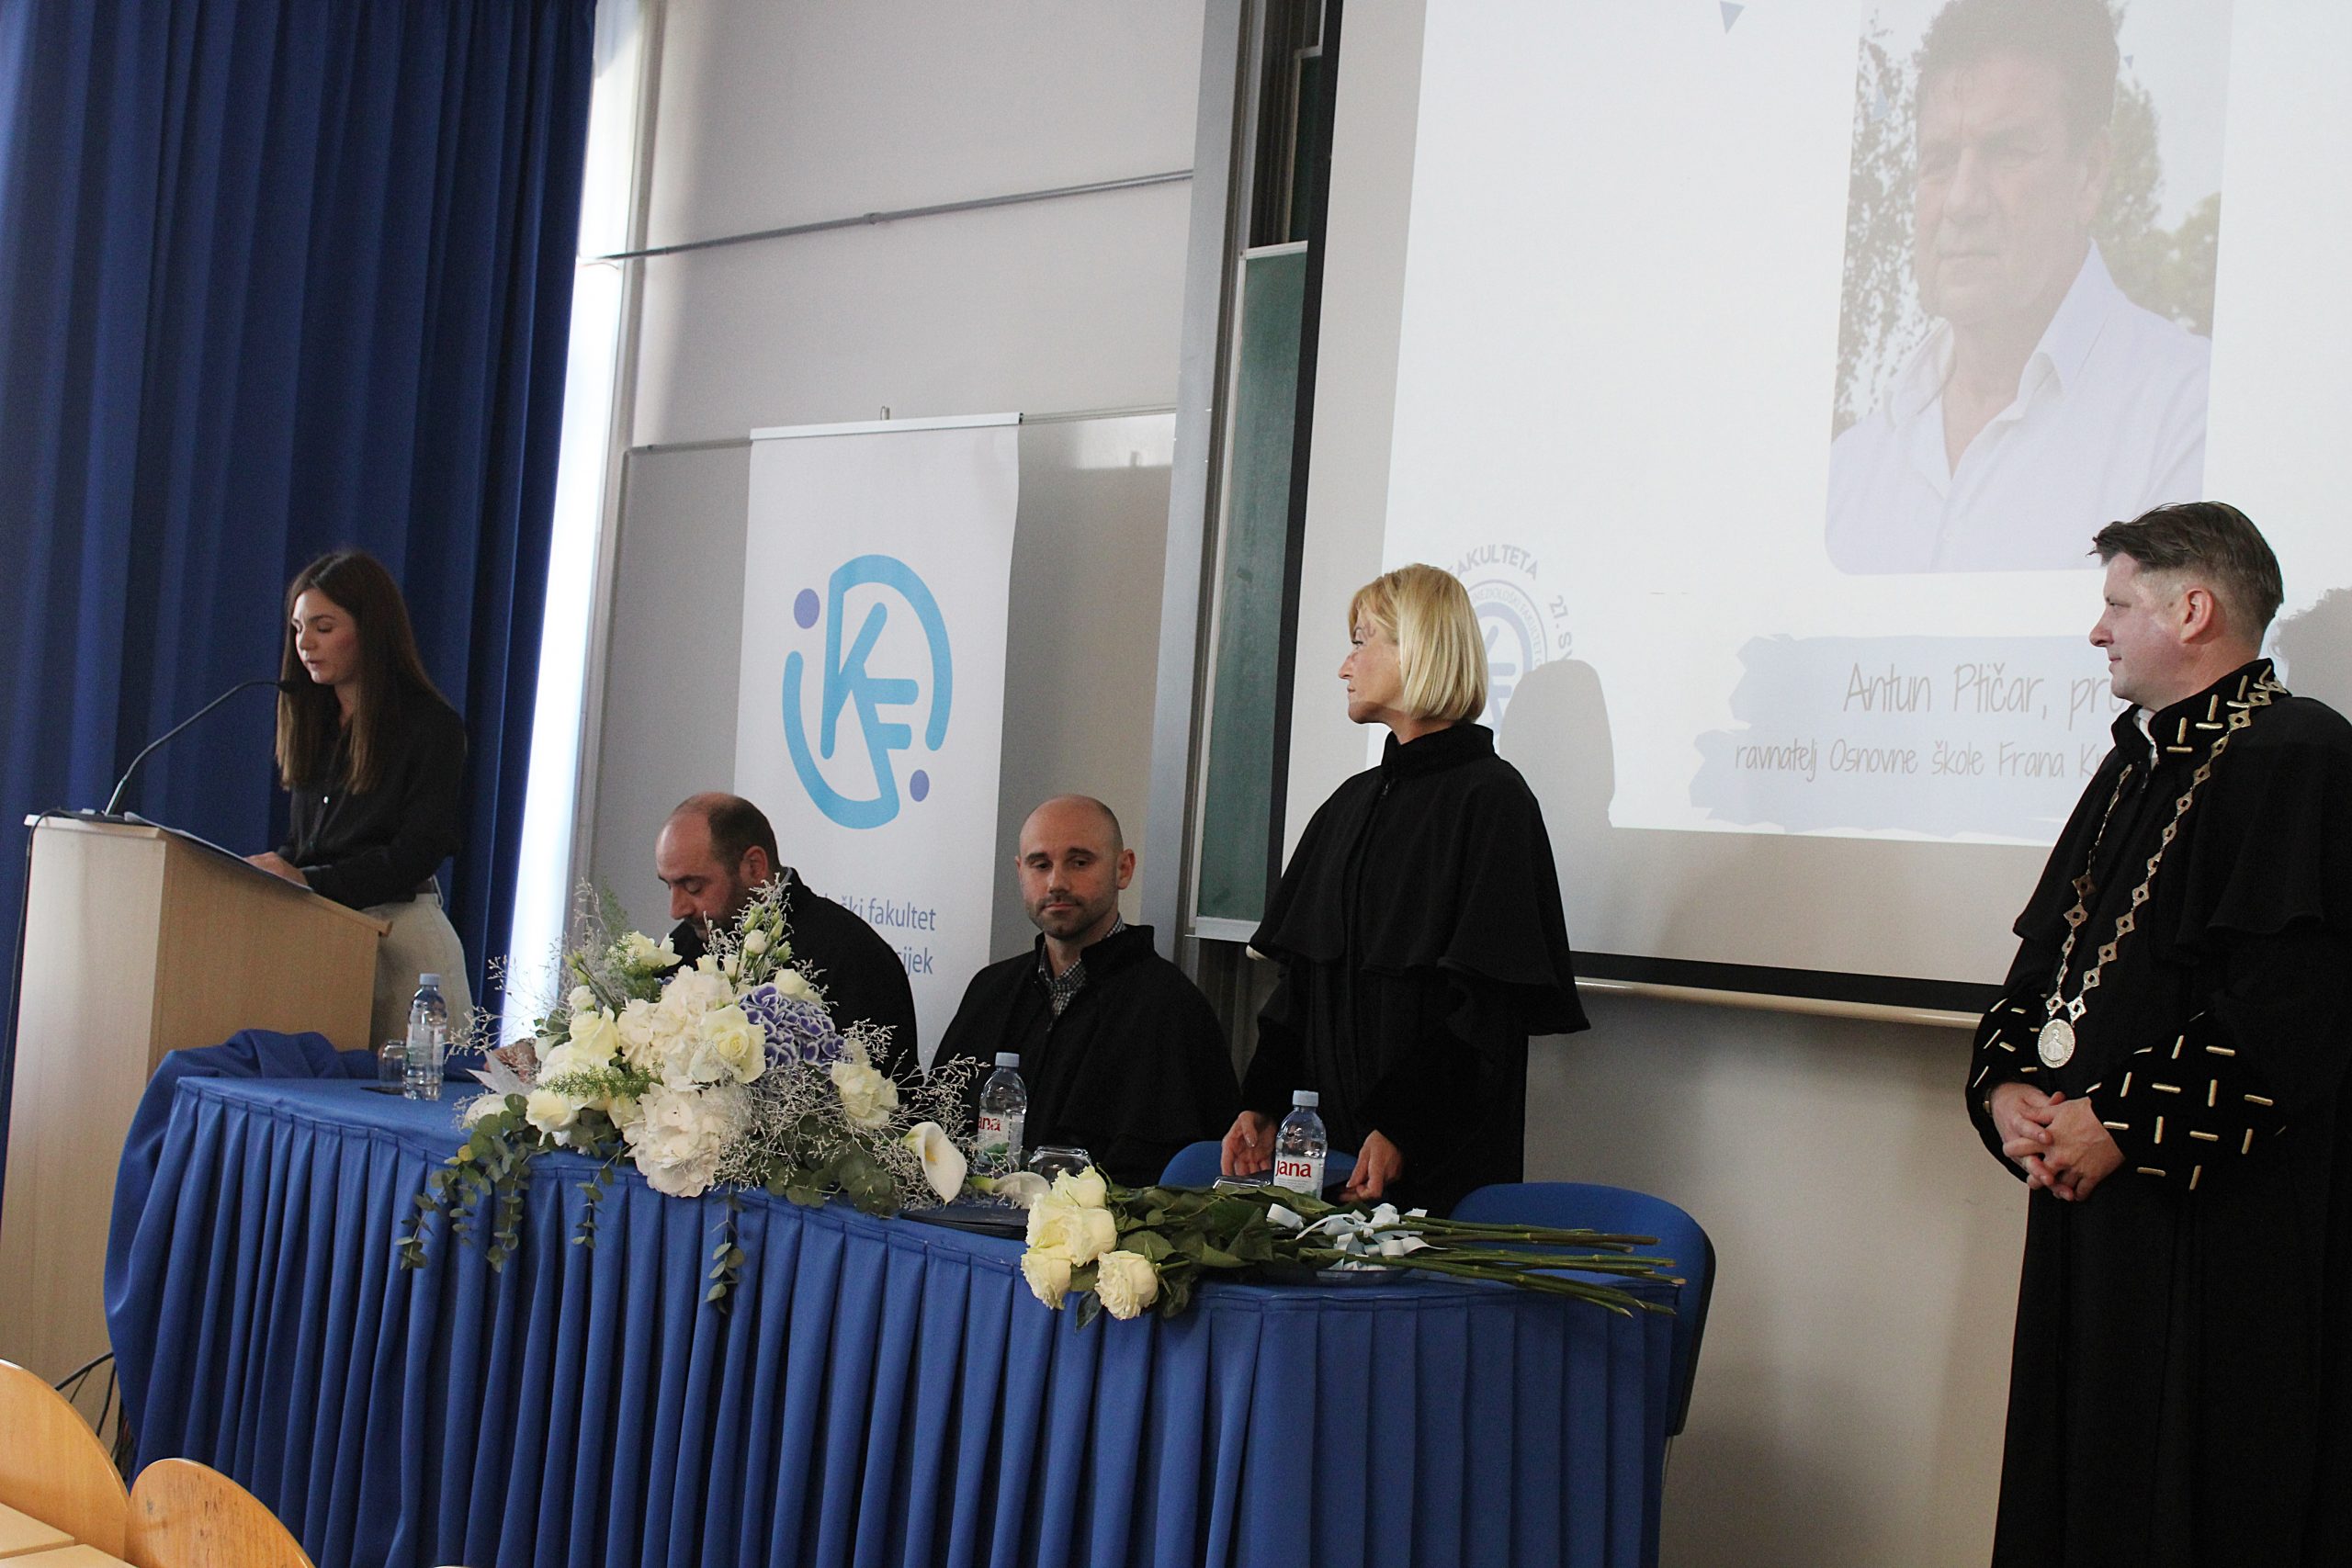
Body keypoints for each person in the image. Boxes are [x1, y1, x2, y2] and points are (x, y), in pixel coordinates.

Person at [1966, 502, 2352, 1565]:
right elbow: (2047, 966)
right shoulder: (2134, 762)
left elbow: (2296, 1014)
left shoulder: (2302, 755)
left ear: (2191, 611)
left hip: (2219, 1227)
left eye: (2116, 605)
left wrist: (2119, 1125)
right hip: (2088, 1205)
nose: (2097, 632)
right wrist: (2006, 1088)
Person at [1222, 564, 1587, 1214]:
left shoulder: (1493, 802)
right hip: (1329, 1164)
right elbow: (1299, 988)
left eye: (1361, 641)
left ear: (1418, 649)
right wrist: (1264, 1102)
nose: (1344, 666)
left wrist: (1402, 1127)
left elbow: (1484, 1007)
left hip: (1440, 1169)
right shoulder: (1348, 805)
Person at [1826, 0, 2210, 574]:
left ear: (2090, 171)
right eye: (1939, 160)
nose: (1961, 201)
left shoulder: (2189, 418)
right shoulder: (1850, 468)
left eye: (2006, 153)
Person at [933, 795, 1238, 1189]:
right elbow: (932, 1133)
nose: (1056, 883)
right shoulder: (990, 991)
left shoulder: (1170, 1007)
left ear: (1123, 869)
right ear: (1020, 872)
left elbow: (1177, 1185)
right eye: (1040, 865)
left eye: (1079, 862)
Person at [244, 550, 471, 1046]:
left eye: (323, 627)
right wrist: (268, 872)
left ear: (371, 631)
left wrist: (307, 880)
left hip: (403, 941)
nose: (305, 644)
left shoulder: (430, 725)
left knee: (421, 1086)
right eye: (298, 628)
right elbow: (308, 844)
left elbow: (417, 851)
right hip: (323, 937)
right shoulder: (314, 724)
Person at [655, 792, 920, 1080]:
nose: (676, 909)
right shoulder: (684, 946)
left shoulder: (853, 957)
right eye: (668, 886)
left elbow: (883, 1096)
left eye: (693, 886)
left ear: (754, 866)